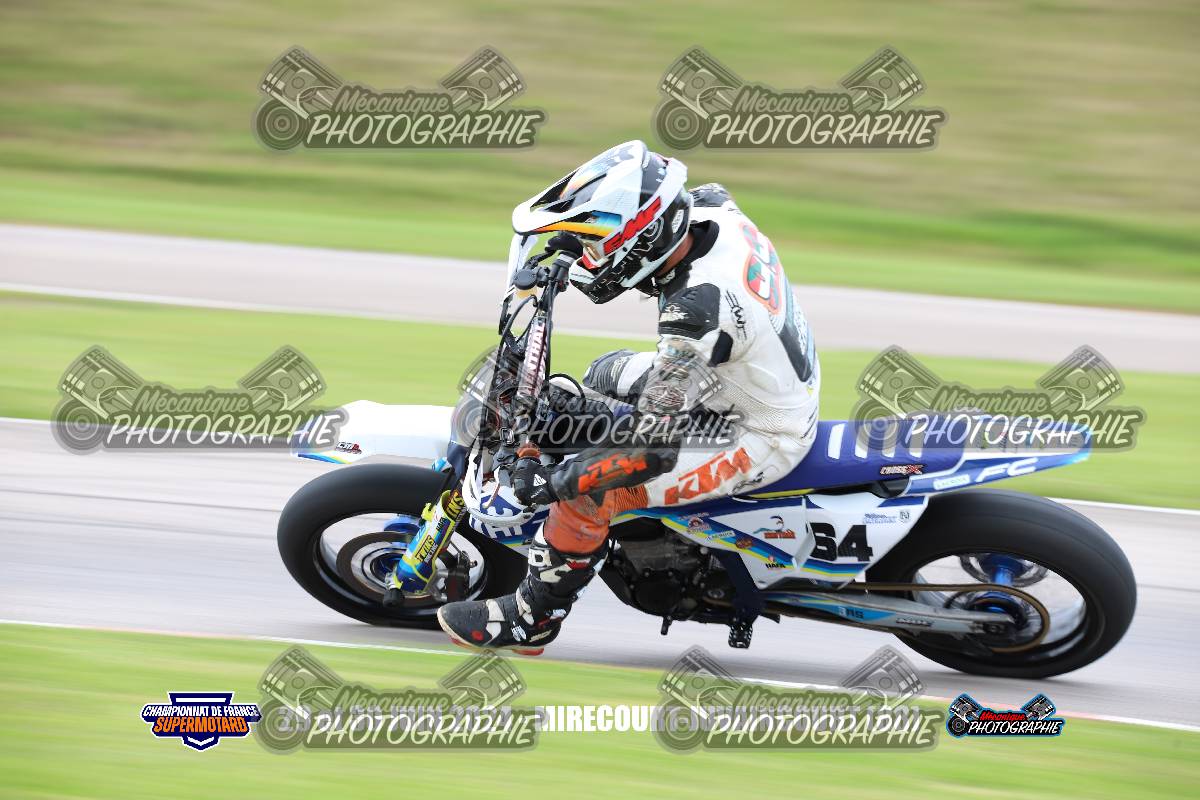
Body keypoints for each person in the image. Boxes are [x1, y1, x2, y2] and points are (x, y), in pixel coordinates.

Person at [437, 140, 820, 654]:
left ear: (642, 243)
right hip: (745, 378)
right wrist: (569, 244)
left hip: (756, 431)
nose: (591, 259)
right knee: (598, 372)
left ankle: (533, 619)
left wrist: (552, 483)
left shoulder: (693, 314)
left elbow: (650, 451)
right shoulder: (710, 209)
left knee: (590, 491)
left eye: (597, 249)